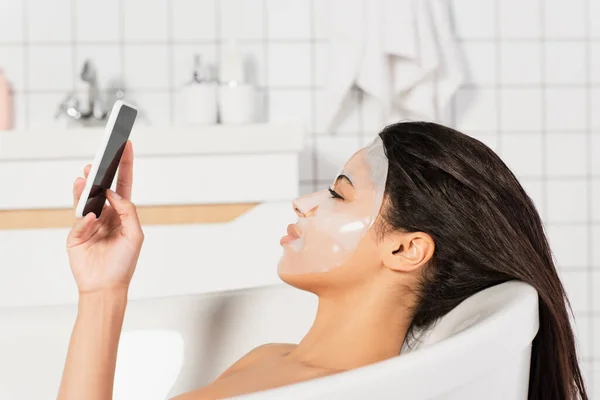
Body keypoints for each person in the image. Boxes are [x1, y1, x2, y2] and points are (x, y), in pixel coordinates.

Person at [57, 122, 588, 400]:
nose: (304, 202)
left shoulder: (342, 393)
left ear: (405, 249)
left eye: (338, 192)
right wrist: (103, 292)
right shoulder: (269, 361)